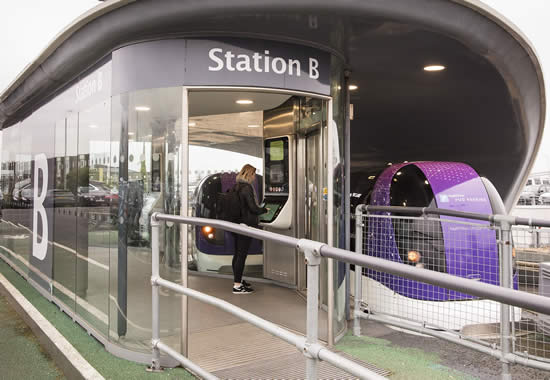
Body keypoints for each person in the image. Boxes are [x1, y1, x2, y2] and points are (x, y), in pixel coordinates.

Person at [232, 164, 267, 294]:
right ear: (249, 174)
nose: (254, 178)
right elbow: (253, 208)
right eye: (253, 175)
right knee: (241, 255)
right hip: (245, 225)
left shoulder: (236, 186)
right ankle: (237, 286)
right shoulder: (246, 188)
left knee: (237, 254)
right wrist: (264, 209)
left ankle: (238, 280)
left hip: (236, 224)